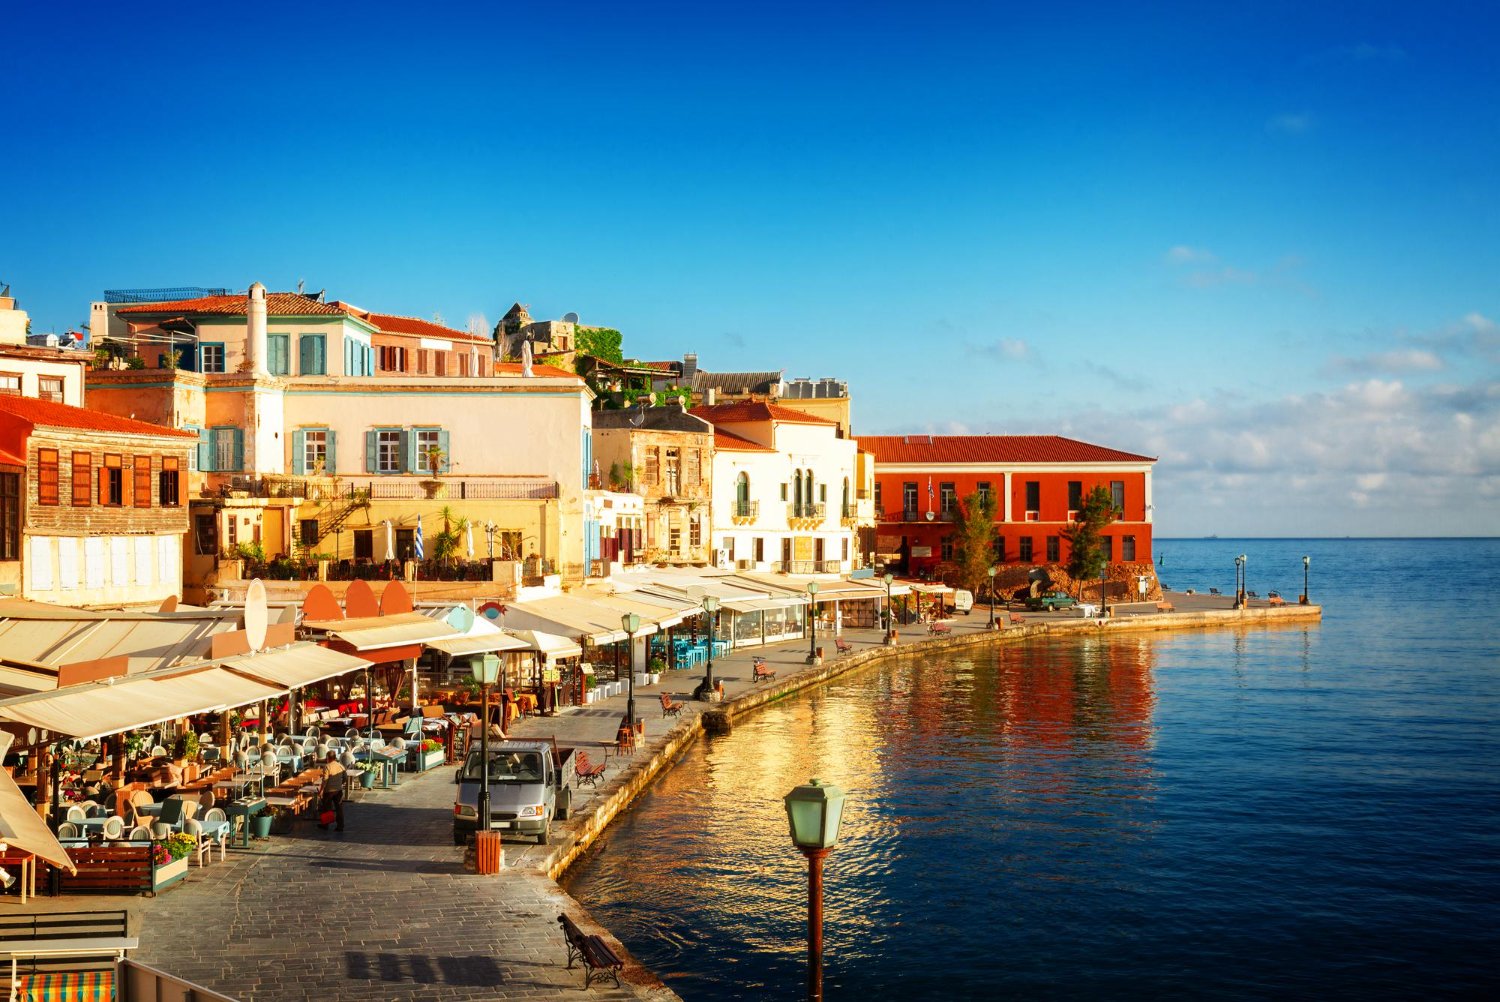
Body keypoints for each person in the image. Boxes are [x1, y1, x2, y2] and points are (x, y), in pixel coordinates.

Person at [319, 751, 346, 832]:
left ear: (328, 758)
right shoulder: (340, 765)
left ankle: (325, 825)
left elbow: (325, 780)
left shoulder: (327, 767)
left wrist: (321, 790)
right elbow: (345, 777)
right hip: (338, 790)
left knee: (326, 808)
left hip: (329, 791)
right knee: (339, 809)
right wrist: (340, 783)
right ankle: (340, 826)